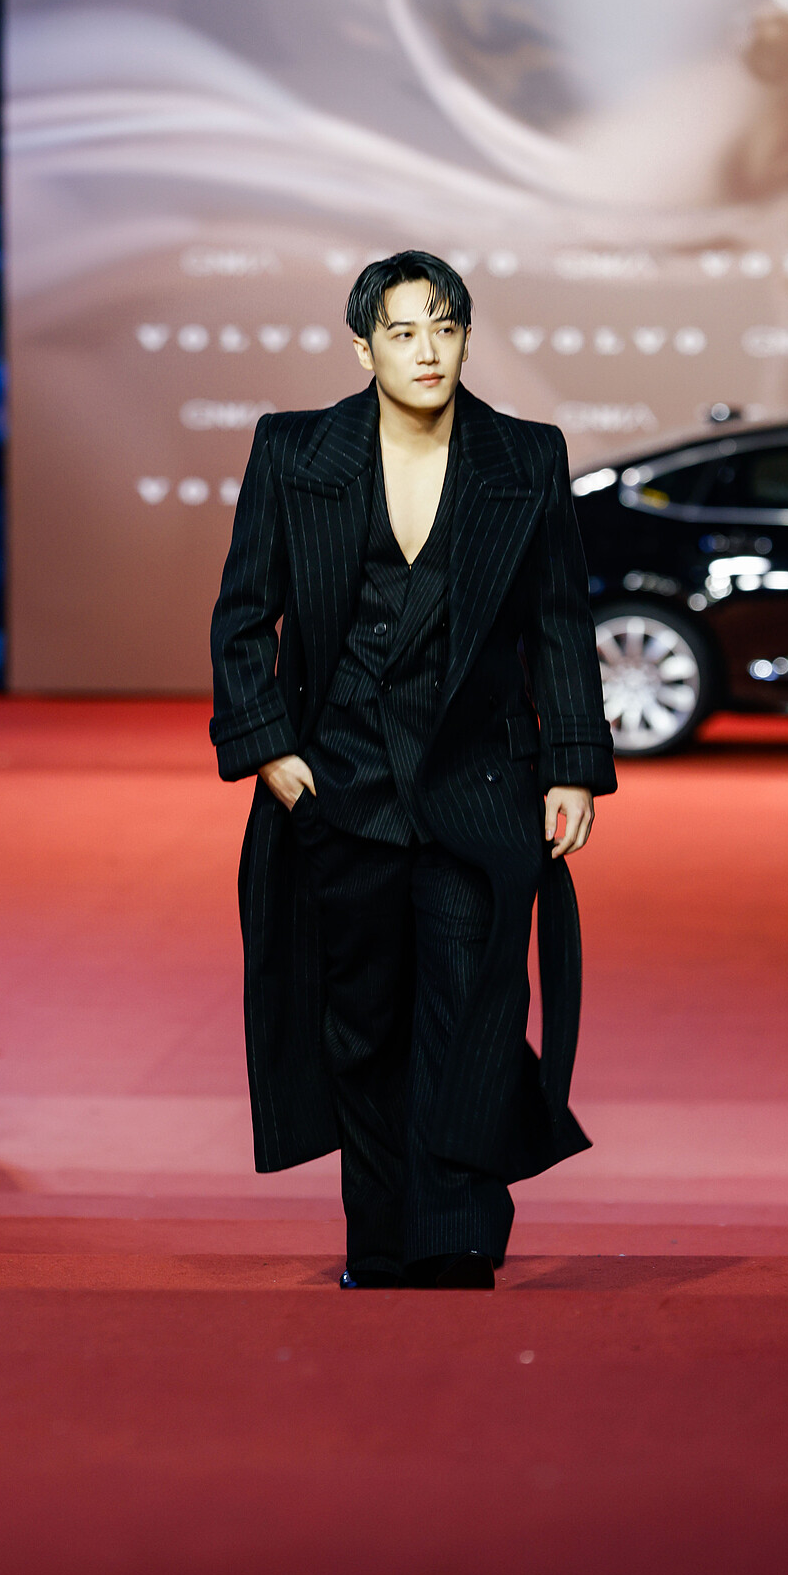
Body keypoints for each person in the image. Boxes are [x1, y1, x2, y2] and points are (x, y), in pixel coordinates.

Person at [210, 250, 615, 1291]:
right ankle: (384, 1242)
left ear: (466, 337)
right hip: (341, 786)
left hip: (480, 783)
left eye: (444, 327)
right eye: (402, 331)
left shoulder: (524, 455)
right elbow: (244, 614)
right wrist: (271, 751)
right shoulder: (295, 451)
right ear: (365, 348)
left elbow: (560, 621)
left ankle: (458, 1235)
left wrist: (573, 765)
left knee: (472, 1011)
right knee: (364, 1026)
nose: (427, 350)